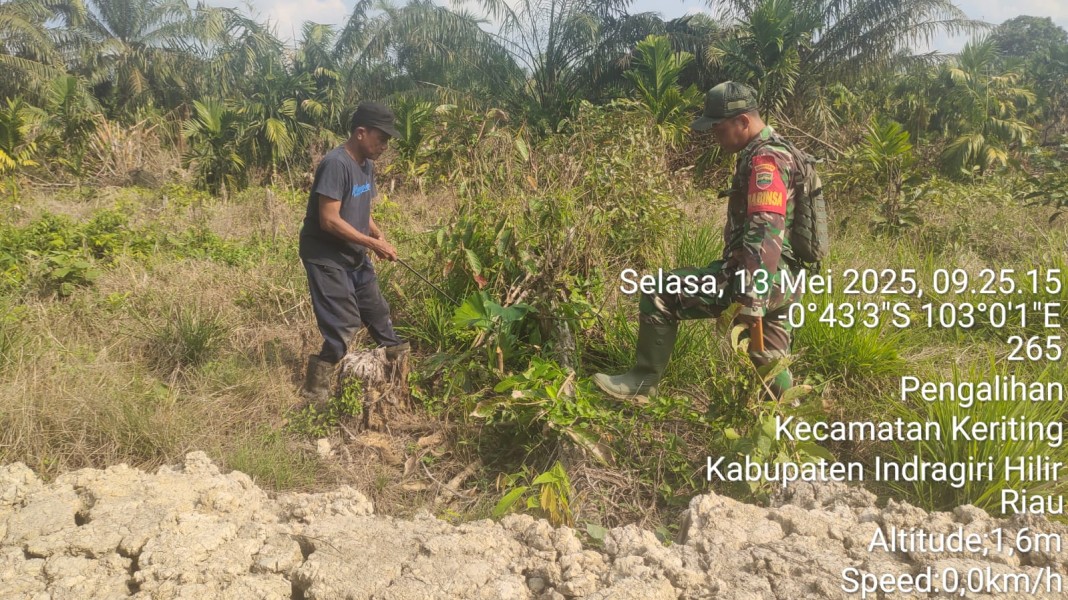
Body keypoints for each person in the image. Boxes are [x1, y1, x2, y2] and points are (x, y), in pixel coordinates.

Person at [592, 81, 803, 403]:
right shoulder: (777, 150)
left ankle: (641, 383)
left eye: (718, 129)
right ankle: (794, 423)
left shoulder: (766, 160)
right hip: (785, 278)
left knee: (659, 290)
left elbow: (765, 228)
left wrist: (752, 298)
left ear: (743, 122)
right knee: (767, 360)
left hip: (761, 279)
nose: (715, 137)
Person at [299, 101, 410, 407]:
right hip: (326, 255)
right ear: (361, 133)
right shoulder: (336, 164)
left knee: (378, 312)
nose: (385, 145)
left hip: (354, 251)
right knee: (343, 324)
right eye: (381, 138)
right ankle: (315, 394)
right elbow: (329, 219)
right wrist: (373, 245)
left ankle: (400, 375)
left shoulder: (367, 165)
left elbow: (359, 205)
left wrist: (375, 232)